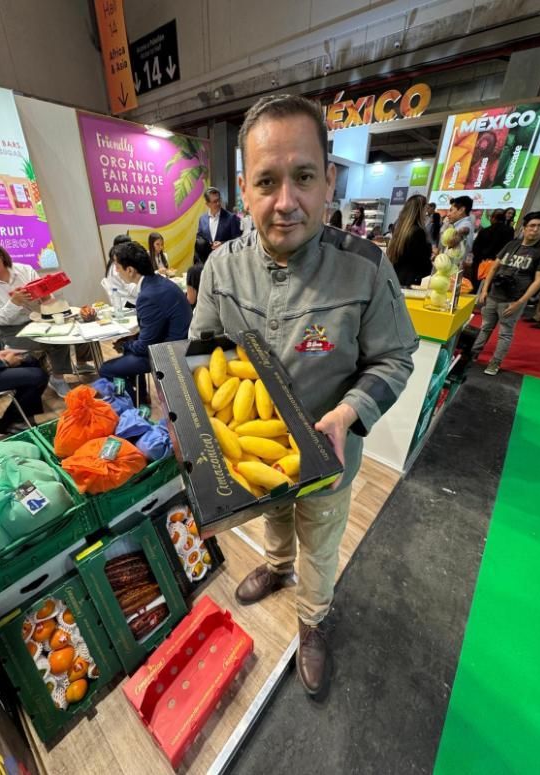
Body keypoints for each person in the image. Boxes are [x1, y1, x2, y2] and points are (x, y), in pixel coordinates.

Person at [190, 94, 417, 696]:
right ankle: (275, 565)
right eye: (267, 181)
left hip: (328, 456)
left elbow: (395, 357)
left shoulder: (366, 270)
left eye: (304, 177)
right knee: (274, 516)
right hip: (257, 452)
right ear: (244, 188)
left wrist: (348, 413)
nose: (285, 202)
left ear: (329, 181)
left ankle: (312, 620)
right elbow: (199, 353)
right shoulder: (220, 269)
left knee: (320, 537)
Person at [0, 234, 85, 398]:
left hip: (39, 320)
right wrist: (14, 302)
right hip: (11, 330)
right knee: (53, 340)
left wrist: (46, 297)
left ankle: (58, 377)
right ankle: (52, 375)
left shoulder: (24, 270)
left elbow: (47, 300)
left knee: (65, 331)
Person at [99, 241, 192, 401]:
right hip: (178, 343)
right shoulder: (161, 282)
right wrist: (129, 342)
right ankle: (141, 397)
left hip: (168, 353)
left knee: (107, 370)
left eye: (117, 267)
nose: (115, 271)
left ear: (130, 270)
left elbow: (144, 346)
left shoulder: (148, 295)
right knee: (129, 351)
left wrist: (125, 344)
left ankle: (131, 401)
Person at [471, 211, 540, 375]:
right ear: (525, 227)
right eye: (532, 226)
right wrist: (484, 289)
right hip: (494, 294)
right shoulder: (512, 244)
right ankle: (472, 355)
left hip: (514, 299)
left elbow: (539, 280)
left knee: (505, 333)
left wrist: (521, 302)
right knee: (485, 327)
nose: (535, 230)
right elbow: (494, 267)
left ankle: (495, 363)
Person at [387, 195, 433, 287]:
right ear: (420, 210)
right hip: (412, 281)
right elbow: (421, 261)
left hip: (398, 278)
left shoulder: (401, 230)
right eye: (425, 209)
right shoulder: (418, 232)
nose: (426, 213)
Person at [470, 209, 514, 293]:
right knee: (490, 287)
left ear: (493, 218)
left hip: (480, 262)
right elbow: (508, 249)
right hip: (498, 264)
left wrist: (480, 259)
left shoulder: (485, 231)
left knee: (476, 285)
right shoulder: (509, 231)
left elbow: (476, 248)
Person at [101, 234, 137, 308]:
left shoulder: (112, 263)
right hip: (128, 303)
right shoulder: (119, 266)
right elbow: (133, 290)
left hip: (123, 301)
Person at [441, 196, 474, 262]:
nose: (448, 214)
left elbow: (465, 230)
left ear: (461, 210)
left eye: (451, 210)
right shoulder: (456, 225)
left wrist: (459, 233)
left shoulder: (465, 225)